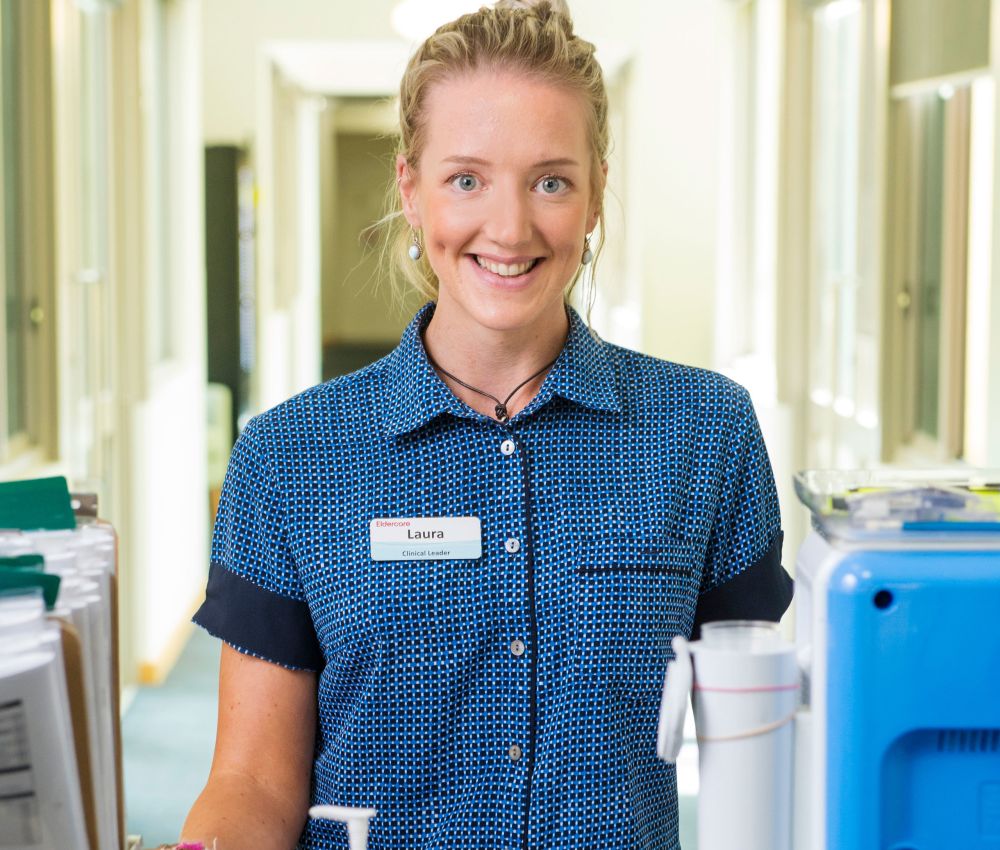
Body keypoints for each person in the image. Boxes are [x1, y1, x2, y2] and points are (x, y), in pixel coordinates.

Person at [181, 1, 793, 848]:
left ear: (595, 193)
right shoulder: (288, 458)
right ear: (412, 187)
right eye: (467, 178)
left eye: (550, 181)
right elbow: (251, 780)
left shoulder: (704, 434)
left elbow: (751, 764)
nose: (509, 229)